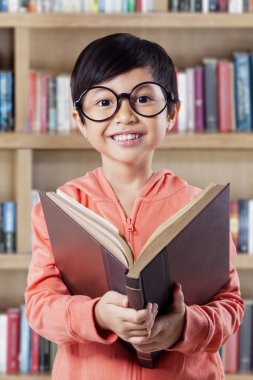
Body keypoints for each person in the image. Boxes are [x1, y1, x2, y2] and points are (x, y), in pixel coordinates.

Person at [25, 33, 244, 380]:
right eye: (103, 102)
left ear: (171, 113)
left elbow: (230, 307)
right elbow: (40, 306)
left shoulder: (199, 208)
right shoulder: (63, 207)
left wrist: (185, 325)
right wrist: (97, 315)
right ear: (80, 121)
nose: (124, 116)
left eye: (142, 98)